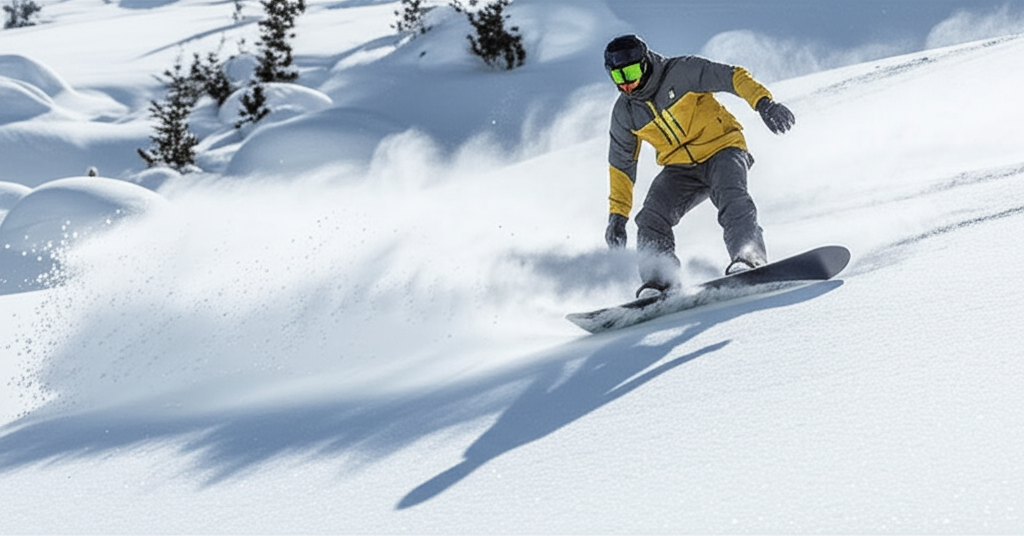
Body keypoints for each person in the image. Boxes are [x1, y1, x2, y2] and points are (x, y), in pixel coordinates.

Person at [602, 34, 795, 299]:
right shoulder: (625, 113)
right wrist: (617, 216)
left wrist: (764, 104)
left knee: (732, 198)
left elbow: (733, 77)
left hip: (722, 148)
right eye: (618, 76)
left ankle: (749, 257)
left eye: (631, 72)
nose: (626, 84)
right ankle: (660, 281)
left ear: (645, 64)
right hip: (679, 169)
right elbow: (621, 166)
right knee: (650, 218)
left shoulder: (682, 71)